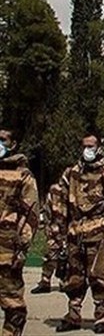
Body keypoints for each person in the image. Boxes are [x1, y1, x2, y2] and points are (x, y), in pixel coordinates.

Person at [52, 134, 104, 334]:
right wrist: (60, 226)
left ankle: (101, 316)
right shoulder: (72, 173)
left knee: (99, 276)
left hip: (99, 234)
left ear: (99, 147)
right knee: (74, 276)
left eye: (91, 146)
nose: (87, 149)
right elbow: (60, 200)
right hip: (75, 233)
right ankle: (73, 315)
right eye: (84, 146)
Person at [0, 128, 39, 336]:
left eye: (2, 140)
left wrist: (21, 248)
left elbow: (31, 215)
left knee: (13, 306)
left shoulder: (23, 176)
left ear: (12, 144)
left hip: (7, 250)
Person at [31, 182, 65, 294]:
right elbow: (48, 210)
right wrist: (48, 225)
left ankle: (64, 281)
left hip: (69, 228)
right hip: (55, 227)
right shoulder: (55, 190)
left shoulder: (76, 189)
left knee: (68, 256)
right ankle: (45, 281)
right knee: (50, 254)